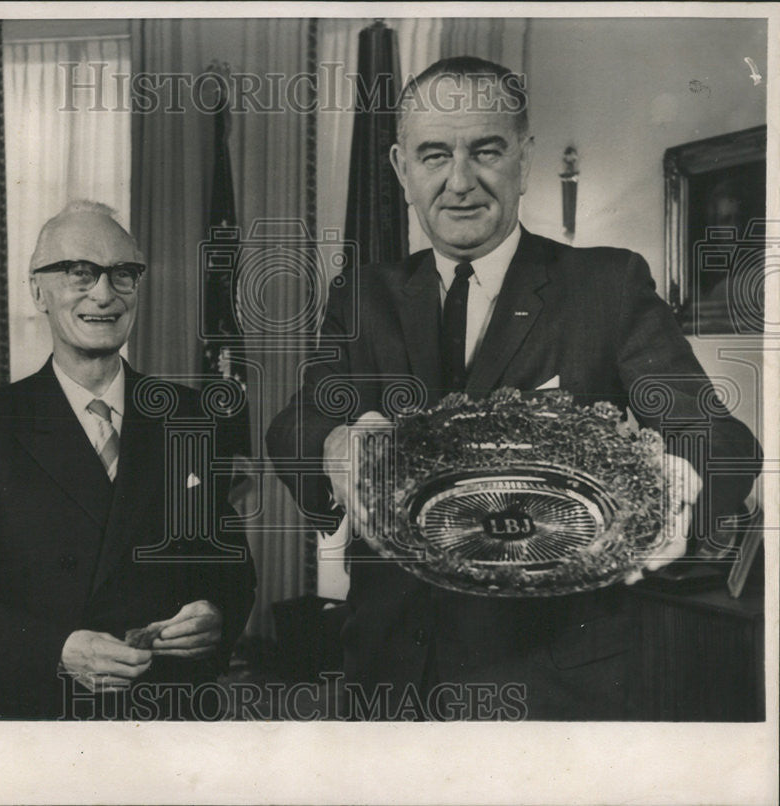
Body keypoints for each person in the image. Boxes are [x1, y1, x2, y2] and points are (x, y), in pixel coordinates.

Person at [266, 57, 760, 720]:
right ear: (400, 166)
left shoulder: (605, 286)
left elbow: (723, 442)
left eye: (486, 149)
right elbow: (294, 425)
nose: (460, 181)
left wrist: (674, 478)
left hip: (549, 692)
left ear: (524, 158)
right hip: (387, 680)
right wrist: (337, 446)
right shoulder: (364, 297)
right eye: (434, 154)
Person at [0, 200, 256, 719]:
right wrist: (59, 651)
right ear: (37, 290)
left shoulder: (192, 417)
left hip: (165, 718)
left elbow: (230, 567)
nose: (104, 294)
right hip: (35, 717)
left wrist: (215, 615)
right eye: (79, 273)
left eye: (123, 274)